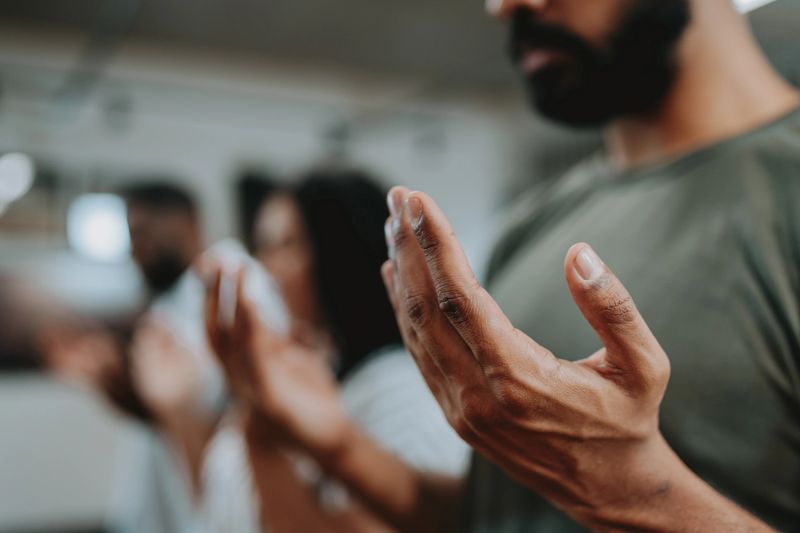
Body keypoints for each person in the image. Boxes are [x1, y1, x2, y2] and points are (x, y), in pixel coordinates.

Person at [211, 0, 799, 531]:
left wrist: (641, 495)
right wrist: (339, 447)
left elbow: (606, 496)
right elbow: (499, 517)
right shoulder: (532, 226)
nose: (505, 6)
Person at [204, 170, 469, 532]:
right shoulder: (315, 380)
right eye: (262, 247)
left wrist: (265, 433)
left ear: (339, 258)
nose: (266, 269)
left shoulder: (401, 394)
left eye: (285, 246)